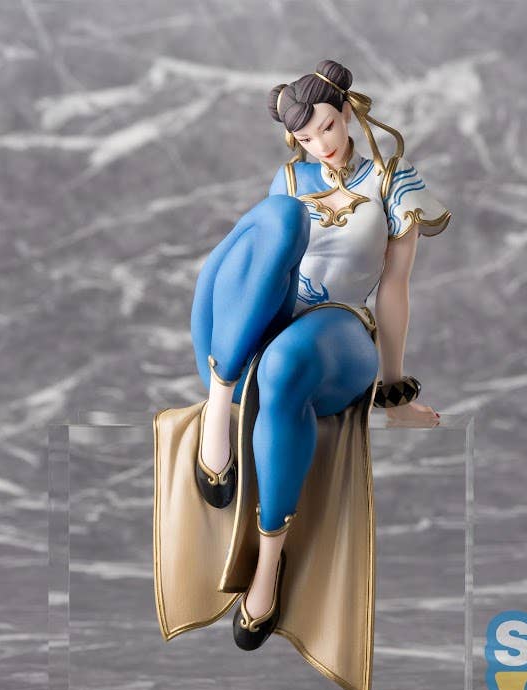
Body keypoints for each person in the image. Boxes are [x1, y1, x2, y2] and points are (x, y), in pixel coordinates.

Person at [189, 59, 451, 652]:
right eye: (306, 138)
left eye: (328, 127)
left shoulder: (391, 180)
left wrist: (393, 392)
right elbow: (255, 267)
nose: (322, 145)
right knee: (278, 219)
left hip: (339, 332)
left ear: (348, 113)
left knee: (284, 366)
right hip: (265, 322)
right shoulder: (289, 180)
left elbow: (394, 288)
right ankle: (219, 403)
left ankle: (268, 565)